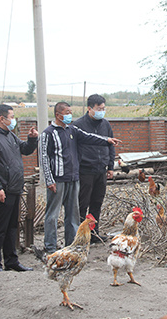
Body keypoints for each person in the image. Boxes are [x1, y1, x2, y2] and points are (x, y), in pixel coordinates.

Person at [40, 102, 122, 253]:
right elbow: (44, 158)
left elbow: (89, 137)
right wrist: (49, 179)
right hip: (58, 180)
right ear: (58, 115)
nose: (70, 115)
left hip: (73, 178)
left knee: (73, 215)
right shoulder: (48, 133)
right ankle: (50, 247)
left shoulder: (72, 130)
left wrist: (107, 140)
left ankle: (72, 245)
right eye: (67, 112)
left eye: (70, 111)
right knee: (53, 214)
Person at [0, 104, 38, 273]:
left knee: (12, 226)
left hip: (14, 189)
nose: (13, 120)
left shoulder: (10, 136)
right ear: (2, 119)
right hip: (1, 191)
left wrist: (32, 139)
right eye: (11, 117)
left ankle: (11, 261)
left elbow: (25, 150)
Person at [73, 94, 115, 243]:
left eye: (103, 108)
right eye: (99, 109)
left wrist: (110, 166)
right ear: (90, 108)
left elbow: (111, 146)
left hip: (101, 170)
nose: (102, 111)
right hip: (85, 170)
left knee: (97, 202)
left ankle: (94, 233)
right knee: (82, 203)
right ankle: (81, 234)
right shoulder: (78, 125)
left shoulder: (105, 124)